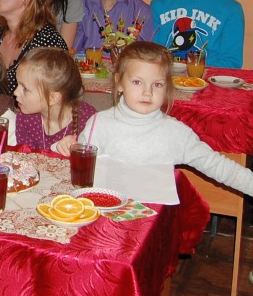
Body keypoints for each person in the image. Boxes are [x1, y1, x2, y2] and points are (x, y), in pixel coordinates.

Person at [82, 41, 253, 196]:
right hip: (104, 213)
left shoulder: (176, 133)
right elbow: (77, 169)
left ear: (167, 88)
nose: (147, 92)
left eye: (157, 84)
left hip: (154, 217)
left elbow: (220, 167)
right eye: (137, 82)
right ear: (119, 83)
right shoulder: (99, 124)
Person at [14, 48, 95, 155]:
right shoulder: (25, 118)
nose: (15, 92)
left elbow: (99, 161)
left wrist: (77, 152)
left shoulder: (89, 121)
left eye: (25, 88)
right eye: (18, 84)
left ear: (52, 98)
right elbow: (26, 160)